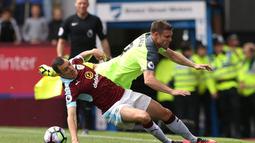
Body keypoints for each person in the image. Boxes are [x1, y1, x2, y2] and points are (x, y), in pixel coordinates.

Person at [49, 49, 216, 143]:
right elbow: (71, 115)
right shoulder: (70, 88)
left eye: (68, 65)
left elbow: (82, 55)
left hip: (125, 94)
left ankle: (196, 141)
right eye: (66, 70)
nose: (70, 69)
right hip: (113, 109)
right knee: (144, 116)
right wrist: (74, 139)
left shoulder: (74, 63)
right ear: (60, 74)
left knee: (165, 113)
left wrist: (94, 51)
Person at [95, 20, 212, 96]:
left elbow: (171, 54)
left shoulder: (148, 37)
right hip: (106, 81)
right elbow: (149, 80)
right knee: (150, 115)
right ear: (156, 35)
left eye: (171, 36)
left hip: (112, 80)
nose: (170, 40)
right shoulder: (149, 50)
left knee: (159, 114)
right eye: (167, 36)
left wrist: (194, 65)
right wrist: (172, 91)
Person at [56, 0, 111, 134]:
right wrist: (61, 60)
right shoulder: (69, 21)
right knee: (72, 95)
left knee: (88, 93)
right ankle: (73, 125)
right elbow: (61, 41)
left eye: (85, 3)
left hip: (89, 63)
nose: (82, 5)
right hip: (72, 64)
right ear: (76, 4)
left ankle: (86, 127)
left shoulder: (95, 21)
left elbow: (103, 39)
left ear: (88, 5)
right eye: (80, 3)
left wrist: (109, 58)